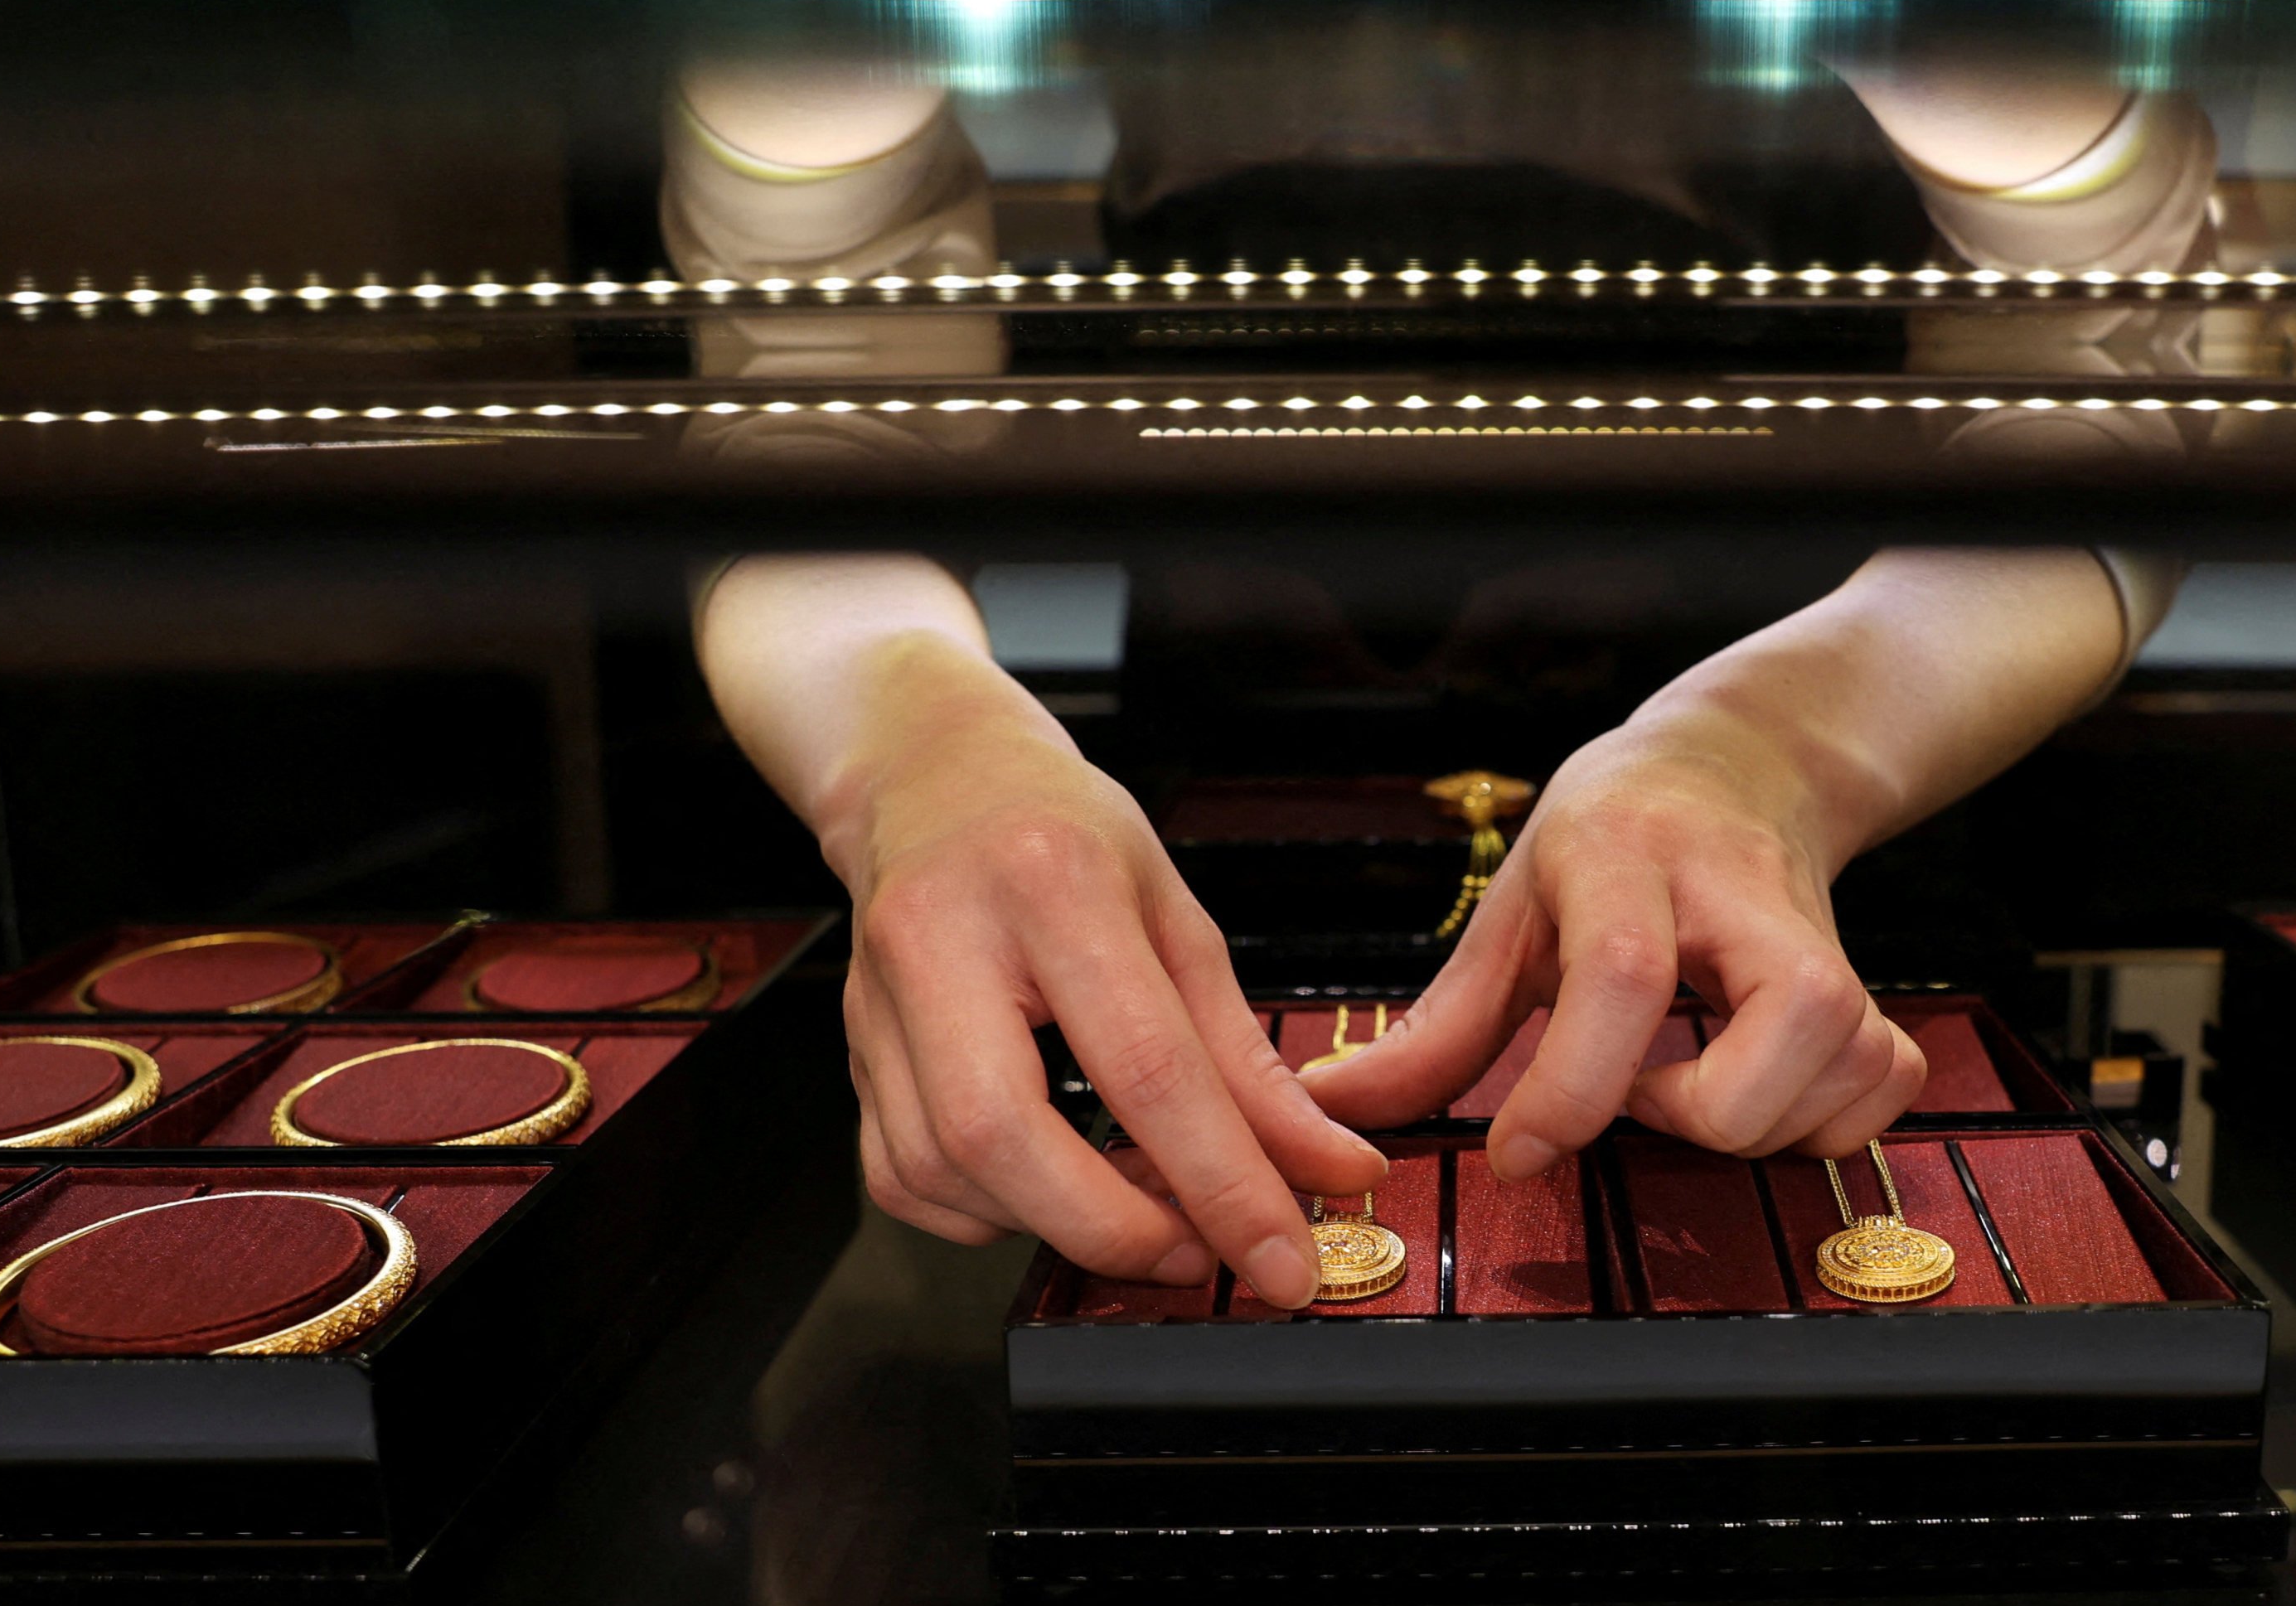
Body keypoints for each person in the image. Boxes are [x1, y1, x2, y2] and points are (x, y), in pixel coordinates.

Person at [695, 544, 2172, 1312]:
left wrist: (1775, 749)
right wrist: (912, 743)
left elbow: (2130, 395)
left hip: (1832, 883)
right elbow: (799, 402)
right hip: (1176, 832)